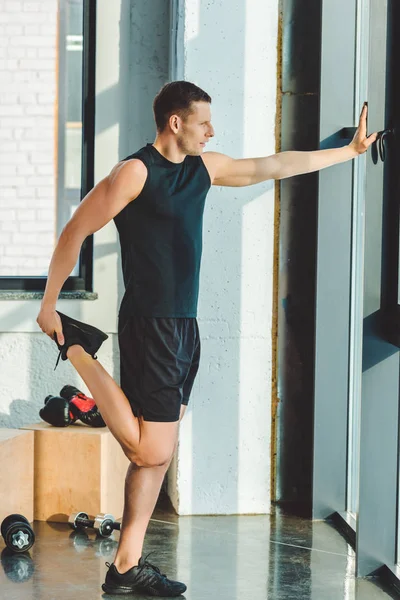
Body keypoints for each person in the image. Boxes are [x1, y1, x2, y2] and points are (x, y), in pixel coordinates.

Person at [36, 80, 377, 596]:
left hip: (184, 326)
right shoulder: (135, 172)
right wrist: (48, 304)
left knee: (158, 453)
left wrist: (345, 153)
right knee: (149, 450)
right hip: (150, 324)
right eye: (203, 122)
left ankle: (125, 569)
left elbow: (272, 165)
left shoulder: (205, 168)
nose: (211, 131)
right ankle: (77, 348)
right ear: (176, 122)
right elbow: (75, 230)